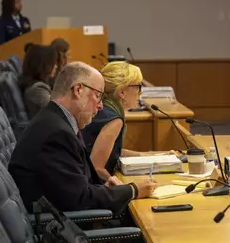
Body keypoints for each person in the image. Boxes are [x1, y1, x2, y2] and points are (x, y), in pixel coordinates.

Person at [8, 62, 156, 214]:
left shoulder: (57, 120)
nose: (100, 106)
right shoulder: (57, 134)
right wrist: (133, 190)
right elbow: (81, 200)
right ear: (78, 90)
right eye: (98, 96)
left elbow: (75, 187)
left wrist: (103, 188)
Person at [82, 62, 147, 184]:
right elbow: (96, 168)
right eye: (138, 87)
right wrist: (127, 188)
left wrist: (145, 156)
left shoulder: (104, 109)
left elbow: (110, 151)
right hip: (91, 189)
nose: (141, 92)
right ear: (122, 92)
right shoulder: (114, 120)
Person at [0, 0, 31, 75]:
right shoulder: (2, 21)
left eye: (20, 2)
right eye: (17, 2)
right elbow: (0, 43)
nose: (20, 4)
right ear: (9, 4)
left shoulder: (25, 21)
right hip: (7, 61)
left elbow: (30, 39)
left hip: (23, 61)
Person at [18, 45, 58, 118]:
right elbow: (57, 113)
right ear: (43, 65)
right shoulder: (37, 90)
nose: (56, 66)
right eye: (52, 63)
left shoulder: (34, 85)